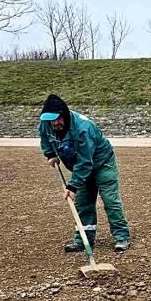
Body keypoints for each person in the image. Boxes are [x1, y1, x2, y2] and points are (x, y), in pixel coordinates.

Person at [38, 94, 131, 252]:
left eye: (58, 119)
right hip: (79, 167)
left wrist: (73, 186)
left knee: (110, 201)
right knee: (83, 204)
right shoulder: (46, 124)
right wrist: (50, 154)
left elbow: (85, 161)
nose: (54, 123)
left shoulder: (83, 129)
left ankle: (122, 236)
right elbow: (45, 138)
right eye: (51, 120)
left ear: (65, 115)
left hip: (102, 163)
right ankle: (83, 239)